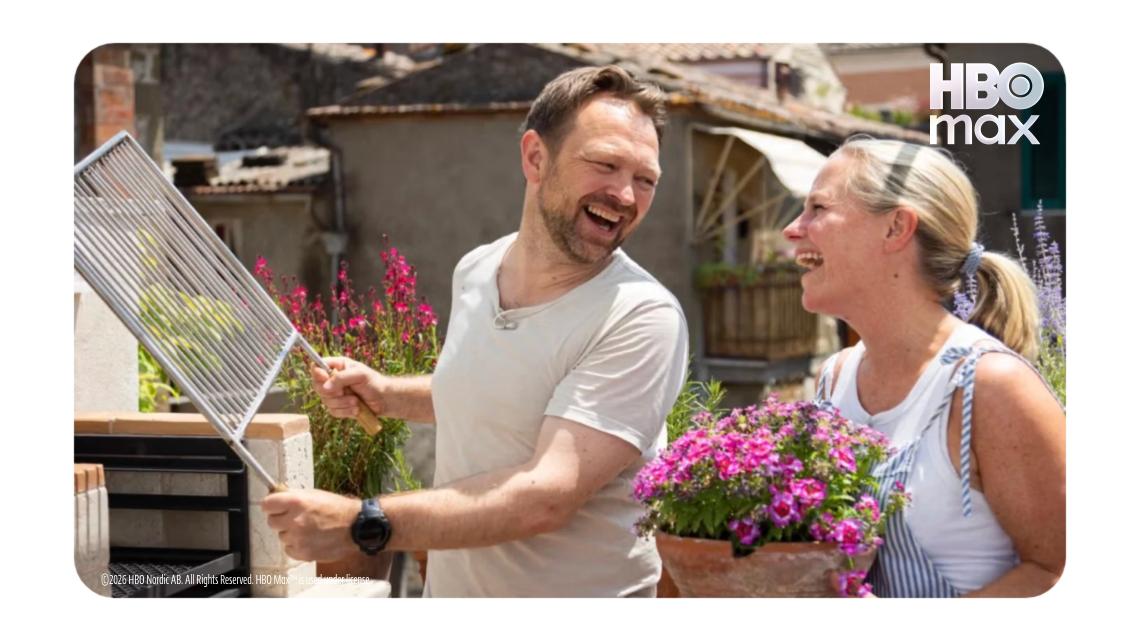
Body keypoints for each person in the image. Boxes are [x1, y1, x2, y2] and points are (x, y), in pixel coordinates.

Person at [261, 65, 690, 598]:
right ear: (536, 156)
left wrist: (361, 521)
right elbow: (501, 392)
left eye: (645, 178)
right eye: (605, 164)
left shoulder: (641, 316)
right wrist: (388, 394)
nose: (625, 194)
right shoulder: (478, 269)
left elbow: (547, 495)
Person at [781, 136, 1066, 598]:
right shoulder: (834, 379)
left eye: (818, 208)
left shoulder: (990, 387)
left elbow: (1054, 573)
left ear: (896, 228)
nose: (793, 229)